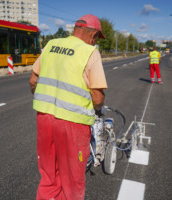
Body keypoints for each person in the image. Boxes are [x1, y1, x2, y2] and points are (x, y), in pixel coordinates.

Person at [29, 14, 107, 200]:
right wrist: (98, 110)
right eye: (96, 38)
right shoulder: (89, 52)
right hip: (73, 124)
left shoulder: (51, 45)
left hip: (45, 119)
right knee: (72, 179)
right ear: (93, 34)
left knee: (49, 175)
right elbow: (97, 96)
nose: (95, 41)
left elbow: (33, 80)